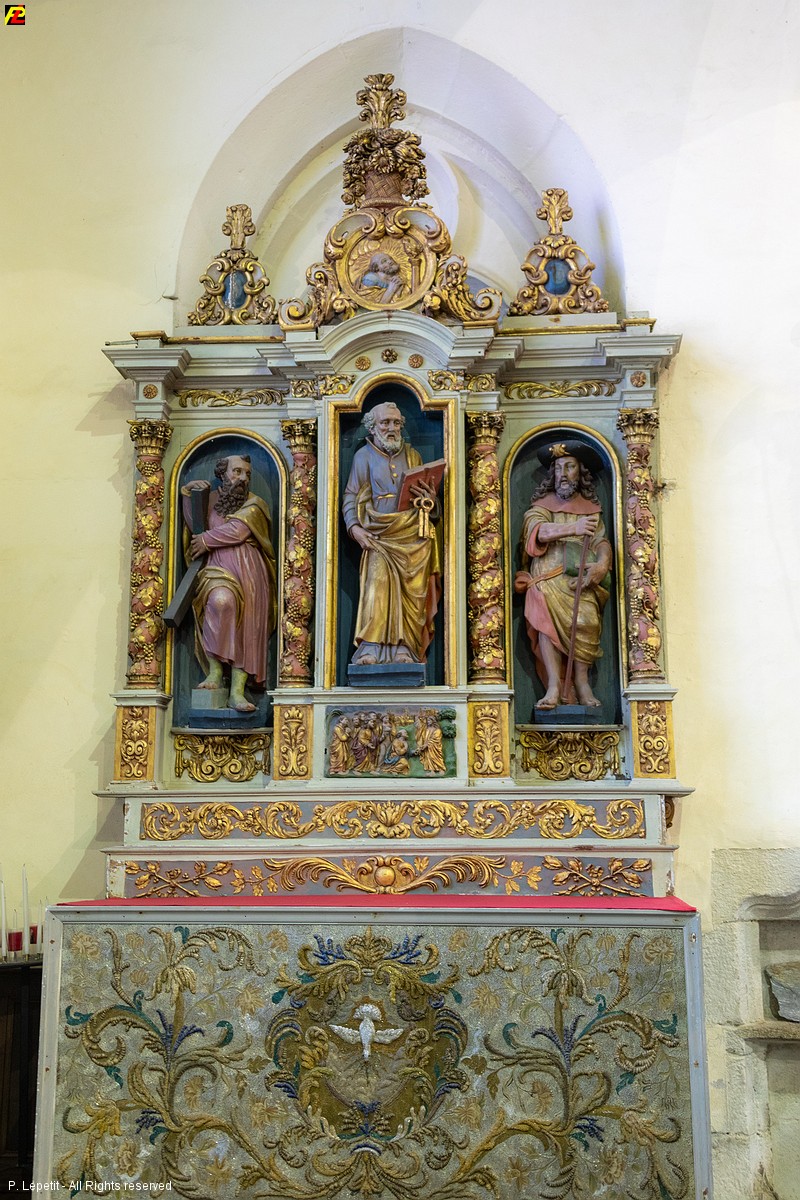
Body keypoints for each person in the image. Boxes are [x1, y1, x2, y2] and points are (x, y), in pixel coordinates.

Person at [342, 401, 441, 668]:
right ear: (372, 427)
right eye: (385, 422)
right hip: (378, 535)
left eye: (396, 423)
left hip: (411, 535)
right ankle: (371, 647)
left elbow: (426, 497)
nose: (391, 428)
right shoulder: (363, 456)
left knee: (413, 592)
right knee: (377, 586)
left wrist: (430, 499)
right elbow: (351, 494)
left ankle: (405, 647)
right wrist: (354, 527)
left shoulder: (412, 455)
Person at [516, 441, 612, 709]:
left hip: (580, 579)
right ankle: (553, 687)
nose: (563, 474)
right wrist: (574, 528)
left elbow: (600, 541)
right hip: (548, 578)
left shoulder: (590, 509)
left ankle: (582, 683)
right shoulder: (541, 506)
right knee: (548, 630)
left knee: (587, 623)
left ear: (580, 472)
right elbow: (537, 532)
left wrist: (602, 563)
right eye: (558, 468)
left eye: (569, 467)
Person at [182, 454, 277, 712]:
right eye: (237, 472)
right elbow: (195, 527)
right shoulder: (211, 501)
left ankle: (237, 691)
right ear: (222, 474)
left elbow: (238, 530)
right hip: (218, 568)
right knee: (220, 602)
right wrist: (188, 494)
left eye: (247, 473)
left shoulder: (255, 505)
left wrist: (206, 540)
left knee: (248, 627)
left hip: (249, 571)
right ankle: (214, 672)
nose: (243, 478)